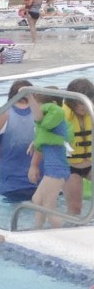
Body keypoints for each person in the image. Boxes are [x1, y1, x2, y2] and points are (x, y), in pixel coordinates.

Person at [0, 79, 36, 202]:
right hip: (42, 183)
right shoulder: (42, 113)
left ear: (10, 97)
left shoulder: (1, 113)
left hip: (11, 186)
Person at [28, 92, 72, 229]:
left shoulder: (56, 116)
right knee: (37, 199)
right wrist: (34, 142)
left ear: (51, 106)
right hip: (54, 169)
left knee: (49, 206)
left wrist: (29, 97)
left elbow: (39, 118)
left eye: (38, 106)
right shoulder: (53, 123)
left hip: (57, 170)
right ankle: (38, 228)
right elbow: (44, 135)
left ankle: (61, 236)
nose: (36, 110)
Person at [63, 77, 94, 217]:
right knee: (75, 209)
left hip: (90, 165)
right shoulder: (62, 116)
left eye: (86, 102)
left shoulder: (91, 113)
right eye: (79, 103)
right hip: (71, 168)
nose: (83, 106)